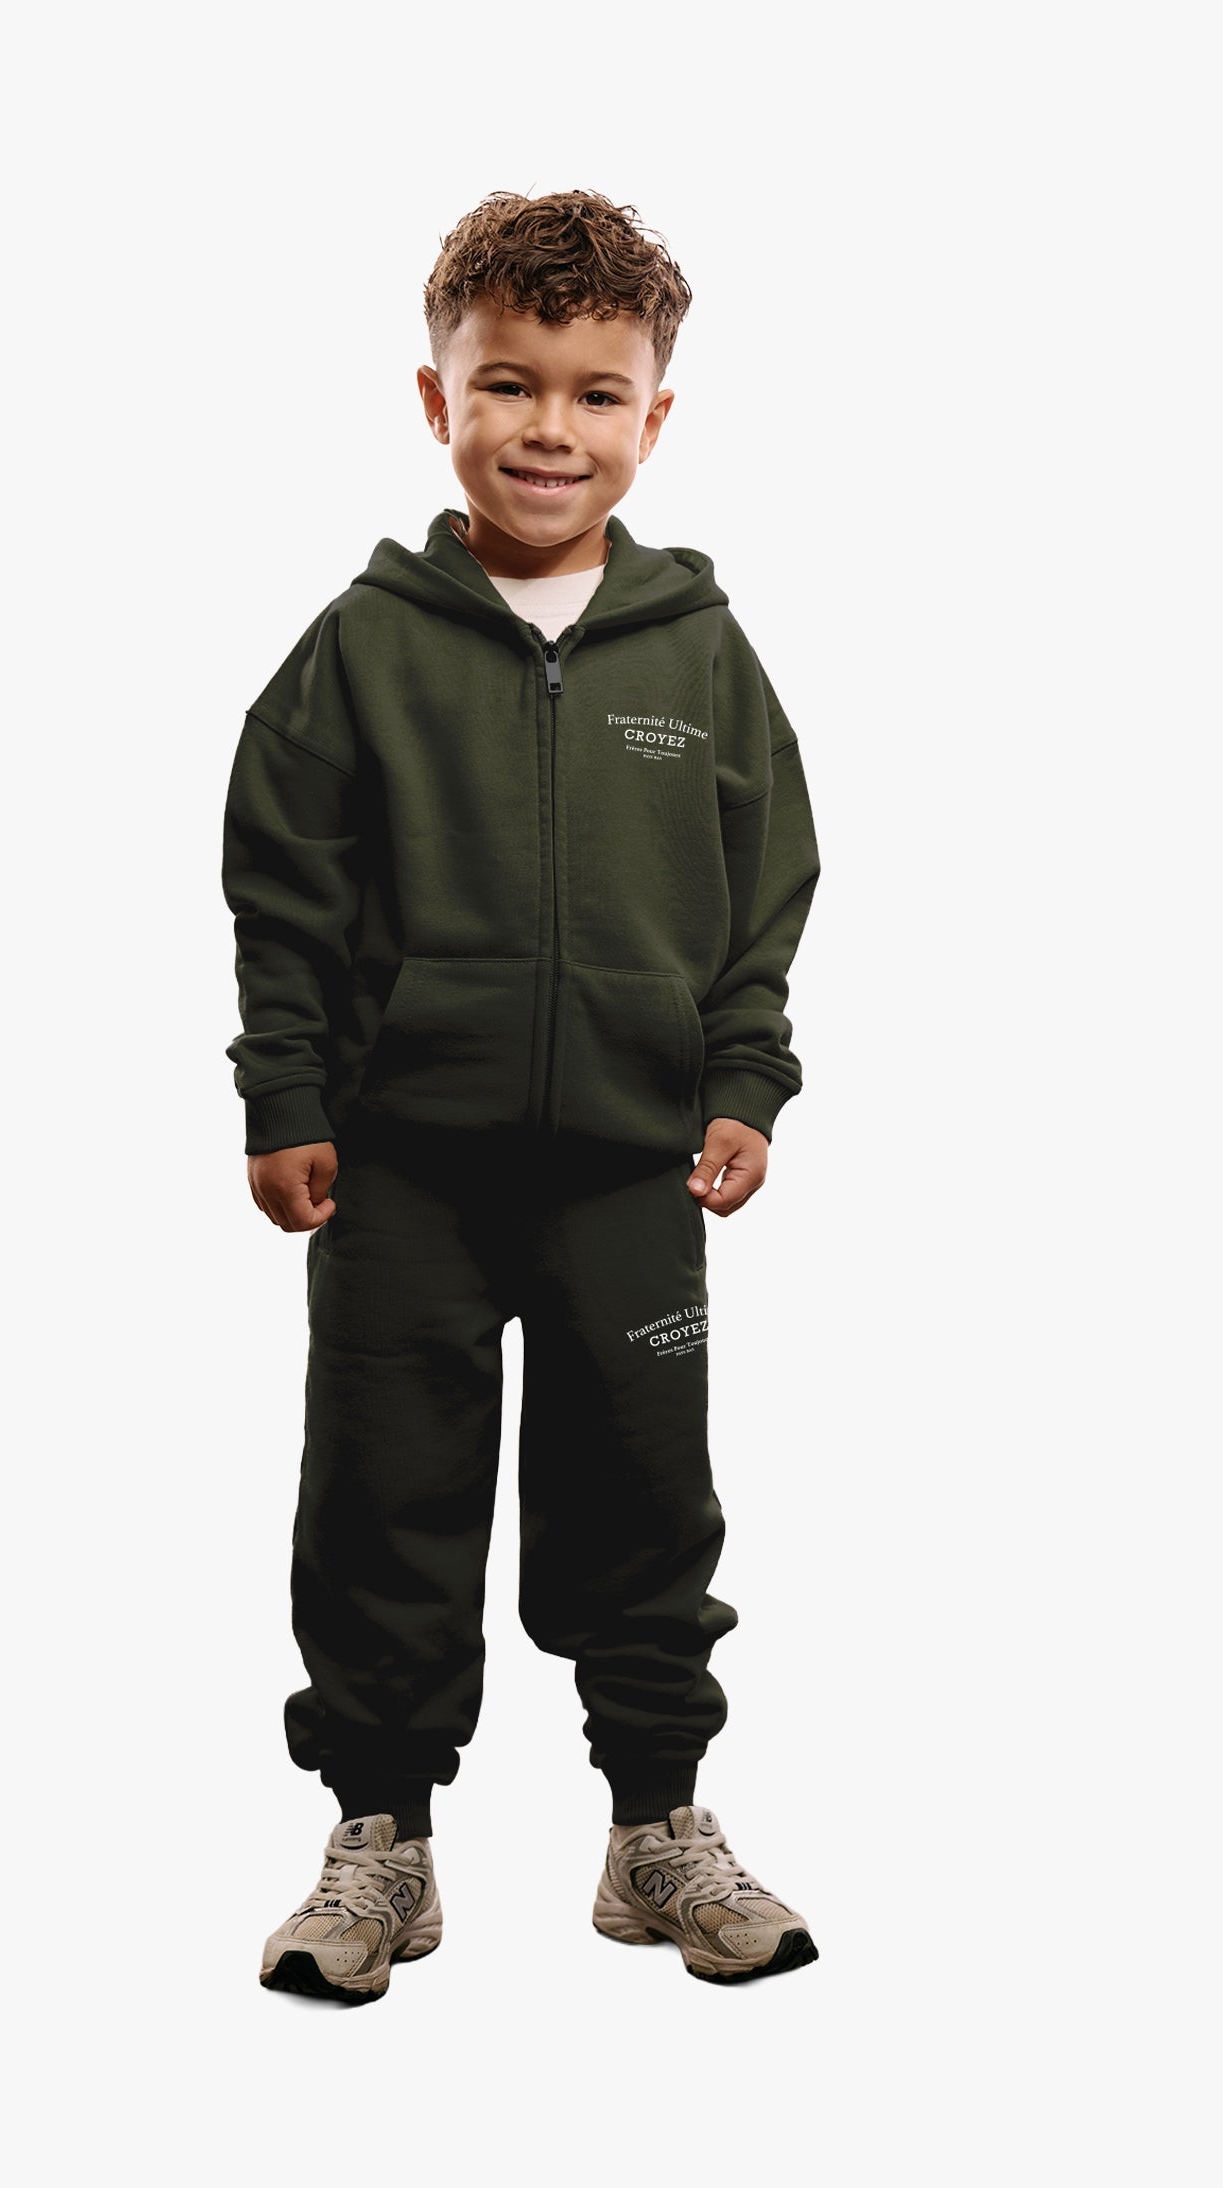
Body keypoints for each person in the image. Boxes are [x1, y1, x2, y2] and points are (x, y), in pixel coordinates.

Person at [222, 189, 822, 2002]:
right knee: (384, 1496)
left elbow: (765, 890)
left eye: (593, 392)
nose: (548, 428)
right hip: (398, 1169)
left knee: (643, 1494)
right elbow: (284, 887)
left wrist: (744, 1078)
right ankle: (380, 1839)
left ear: (654, 416)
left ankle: (655, 1828)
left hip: (629, 1173)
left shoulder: (697, 651)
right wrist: (284, 1092)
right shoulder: (362, 645)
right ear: (437, 400)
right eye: (507, 384)